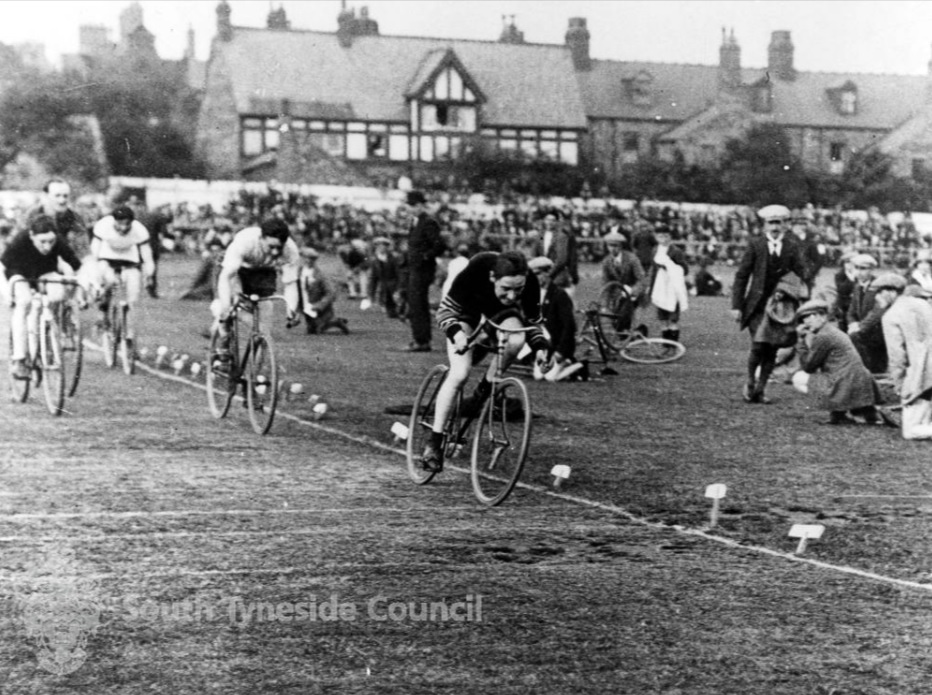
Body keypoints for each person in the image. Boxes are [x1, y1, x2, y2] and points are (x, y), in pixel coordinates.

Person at [419, 251, 551, 473]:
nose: (512, 295)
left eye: (517, 290)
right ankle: (435, 440)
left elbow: (533, 324)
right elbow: (444, 311)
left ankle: (487, 384)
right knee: (460, 373)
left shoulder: (529, 283)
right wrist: (458, 335)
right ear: (492, 277)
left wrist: (540, 350)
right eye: (505, 288)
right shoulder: (476, 268)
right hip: (467, 311)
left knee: (517, 339)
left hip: (499, 313)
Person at [731, 204, 811, 404]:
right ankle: (750, 381)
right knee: (759, 345)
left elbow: (802, 275)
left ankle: (761, 388)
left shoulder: (792, 247)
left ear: (785, 225)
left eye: (779, 223)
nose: (775, 227)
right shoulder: (755, 245)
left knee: (772, 348)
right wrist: (737, 305)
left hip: (781, 307)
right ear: (765, 225)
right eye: (771, 223)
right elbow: (742, 276)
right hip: (757, 306)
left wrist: (792, 293)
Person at [2, 216, 83, 379]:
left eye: (51, 242)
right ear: (32, 236)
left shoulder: (58, 241)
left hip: (44, 272)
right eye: (42, 242)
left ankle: (50, 336)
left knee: (57, 294)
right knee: (24, 302)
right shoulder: (20, 240)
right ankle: (19, 359)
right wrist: (7, 294)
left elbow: (77, 266)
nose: (47, 247)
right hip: (19, 273)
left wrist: (77, 285)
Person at [211, 218, 300, 364]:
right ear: (261, 238)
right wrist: (226, 306)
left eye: (279, 247)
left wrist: (291, 309)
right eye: (271, 246)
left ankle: (253, 378)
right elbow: (227, 277)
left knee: (263, 331)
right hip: (236, 271)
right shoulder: (245, 242)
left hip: (263, 272)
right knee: (227, 307)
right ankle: (224, 339)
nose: (275, 251)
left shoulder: (291, 250)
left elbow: (290, 283)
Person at [792, 299, 885, 426]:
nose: (806, 322)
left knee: (798, 378)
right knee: (832, 375)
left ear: (822, 316)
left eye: (810, 316)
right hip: (858, 381)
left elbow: (808, 366)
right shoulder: (832, 331)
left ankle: (841, 410)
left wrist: (801, 341)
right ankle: (854, 411)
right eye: (804, 318)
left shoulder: (824, 335)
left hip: (846, 382)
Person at [90, 205, 155, 351]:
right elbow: (94, 253)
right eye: (119, 224)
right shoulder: (103, 225)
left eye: (127, 224)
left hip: (129, 258)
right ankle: (103, 309)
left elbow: (147, 257)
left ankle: (129, 336)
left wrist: (149, 274)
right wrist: (95, 276)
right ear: (114, 221)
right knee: (109, 279)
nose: (123, 228)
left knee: (133, 297)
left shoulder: (140, 230)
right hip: (107, 256)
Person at [882, 281, 932, 439]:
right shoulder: (924, 305)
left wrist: (900, 385)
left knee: (910, 431)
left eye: (877, 293)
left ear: (889, 292)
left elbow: (897, 356)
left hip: (923, 372)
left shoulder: (891, 315)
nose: (876, 298)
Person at [529, 256, 582, 382]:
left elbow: (568, 326)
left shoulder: (559, 295)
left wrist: (561, 351)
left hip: (557, 346)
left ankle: (573, 363)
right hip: (543, 347)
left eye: (537, 274)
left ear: (547, 273)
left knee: (550, 377)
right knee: (539, 376)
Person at [404, 190, 445, 352]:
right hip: (415, 268)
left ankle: (422, 341)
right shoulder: (416, 221)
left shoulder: (427, 222)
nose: (410, 208)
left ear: (420, 205)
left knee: (418, 305)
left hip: (422, 269)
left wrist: (424, 257)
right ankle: (419, 339)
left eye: (413, 205)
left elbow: (439, 245)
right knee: (415, 304)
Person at [25, 178, 91, 262]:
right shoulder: (32, 215)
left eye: (65, 196)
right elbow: (19, 244)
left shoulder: (75, 218)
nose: (62, 200)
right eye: (57, 196)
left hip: (67, 264)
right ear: (45, 196)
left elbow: (84, 251)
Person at [648, 225, 689, 343]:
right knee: (662, 316)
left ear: (670, 237)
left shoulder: (676, 251)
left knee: (673, 316)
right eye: (660, 236)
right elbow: (653, 270)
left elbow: (685, 269)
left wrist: (670, 266)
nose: (663, 239)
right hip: (659, 286)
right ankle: (665, 342)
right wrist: (650, 286)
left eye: (666, 236)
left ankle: (673, 342)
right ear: (656, 237)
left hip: (672, 286)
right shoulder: (655, 250)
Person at [600, 230, 646, 333]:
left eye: (615, 246)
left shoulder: (632, 259)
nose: (613, 249)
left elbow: (642, 279)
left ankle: (627, 334)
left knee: (624, 316)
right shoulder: (606, 262)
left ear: (621, 246)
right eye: (610, 246)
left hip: (633, 294)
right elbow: (606, 284)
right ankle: (626, 334)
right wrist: (605, 304)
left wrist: (632, 290)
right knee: (614, 319)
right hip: (617, 295)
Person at [298, 247, 348, 335]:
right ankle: (333, 321)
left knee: (320, 328)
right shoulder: (300, 271)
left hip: (318, 306)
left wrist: (320, 305)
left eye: (310, 258)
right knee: (311, 330)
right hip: (305, 303)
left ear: (314, 260)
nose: (307, 260)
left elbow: (331, 293)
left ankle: (336, 322)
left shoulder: (320, 274)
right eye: (305, 257)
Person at [545, 209, 579, 303]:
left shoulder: (564, 235)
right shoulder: (553, 234)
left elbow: (568, 258)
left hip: (563, 275)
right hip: (557, 275)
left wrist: (573, 275)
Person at [368, 236, 402, 318]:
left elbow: (399, 274)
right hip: (384, 289)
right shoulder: (375, 261)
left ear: (387, 248)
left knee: (399, 309)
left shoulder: (394, 259)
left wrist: (399, 289)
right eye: (378, 246)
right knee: (389, 313)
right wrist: (371, 295)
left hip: (394, 286)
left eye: (383, 246)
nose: (380, 248)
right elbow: (373, 279)